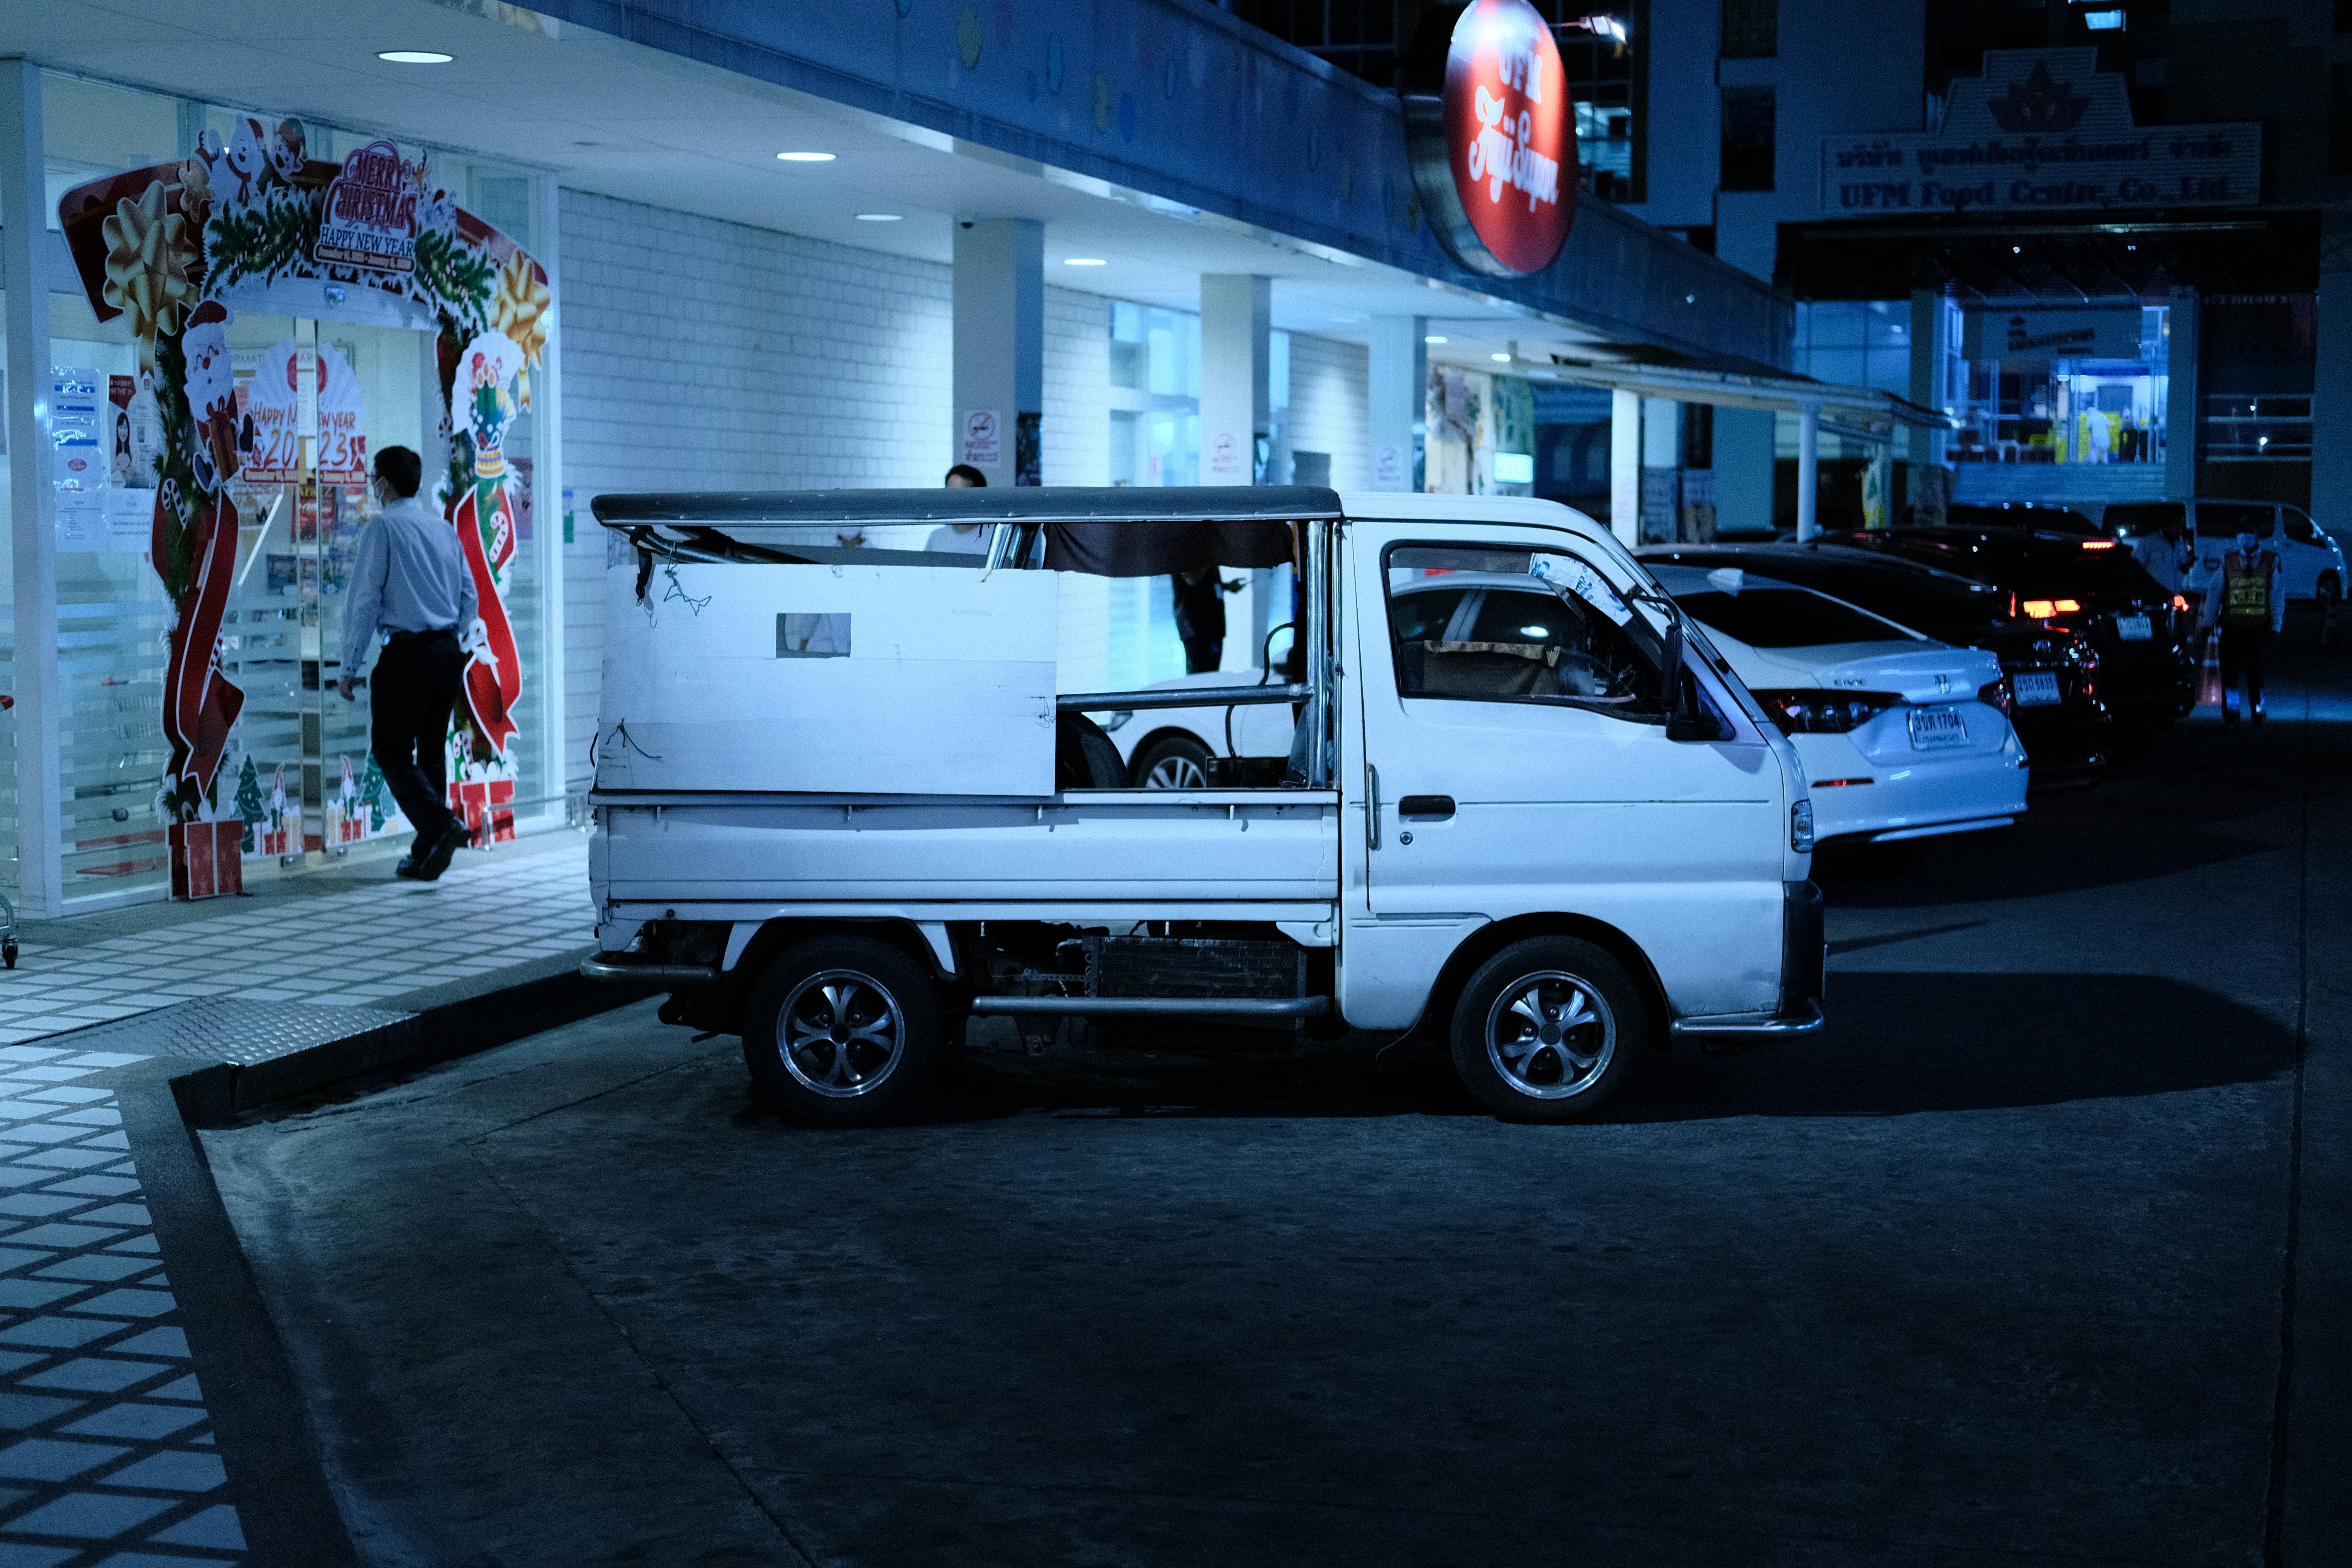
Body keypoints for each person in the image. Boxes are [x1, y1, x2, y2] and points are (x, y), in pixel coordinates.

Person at [337, 446, 478, 879]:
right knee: (432, 751)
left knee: (392, 750)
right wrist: (460, 640)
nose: (371, 486)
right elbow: (469, 595)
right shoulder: (443, 530)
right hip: (447, 651)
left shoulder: (382, 529)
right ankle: (427, 853)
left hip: (408, 654)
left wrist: (349, 665)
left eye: (372, 478)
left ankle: (439, 825)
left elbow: (364, 603)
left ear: (383, 482)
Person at [2206, 527, 2284, 728]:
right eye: (2240, 531)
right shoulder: (2228, 560)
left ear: (2258, 535)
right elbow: (2214, 593)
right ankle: (2232, 716)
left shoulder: (2271, 560)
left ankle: (2258, 714)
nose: (2244, 536)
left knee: (2255, 674)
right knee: (2230, 675)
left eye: (2248, 531)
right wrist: (2206, 622)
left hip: (2258, 628)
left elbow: (2277, 596)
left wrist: (2276, 626)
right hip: (2232, 626)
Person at [1173, 566, 1242, 674]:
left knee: (1212, 672)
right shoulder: (1186, 553)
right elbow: (1191, 579)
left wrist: (1226, 587)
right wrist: (1212, 559)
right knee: (1199, 674)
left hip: (1213, 626)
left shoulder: (1207, 556)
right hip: (1195, 627)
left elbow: (1205, 585)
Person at [927, 464, 990, 553]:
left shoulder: (996, 537)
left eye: (961, 495)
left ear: (978, 497)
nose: (953, 499)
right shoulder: (937, 537)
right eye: (950, 493)